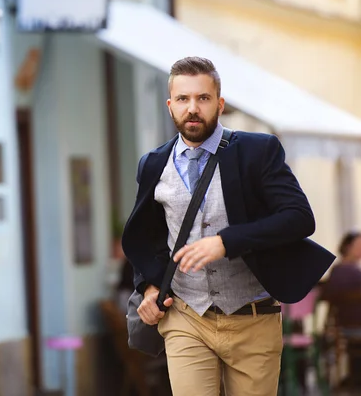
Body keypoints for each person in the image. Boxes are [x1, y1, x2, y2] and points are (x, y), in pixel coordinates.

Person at [122, 56, 335, 396]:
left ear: (219, 104)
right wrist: (149, 285)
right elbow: (145, 236)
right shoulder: (153, 164)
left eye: (202, 98)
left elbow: (299, 217)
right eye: (183, 99)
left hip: (252, 316)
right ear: (170, 105)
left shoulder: (256, 151)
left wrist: (227, 241)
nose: (193, 108)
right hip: (186, 316)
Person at [322, 231, 361, 327]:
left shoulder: (337, 270)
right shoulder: (347, 270)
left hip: (342, 324)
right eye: (358, 245)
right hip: (353, 321)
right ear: (347, 246)